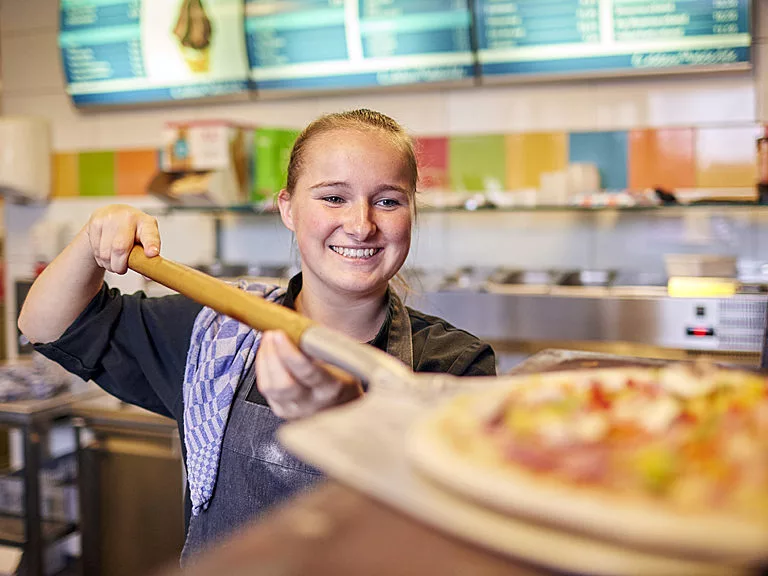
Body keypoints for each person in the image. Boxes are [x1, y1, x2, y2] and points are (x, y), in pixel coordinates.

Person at [17, 109, 496, 562]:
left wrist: (346, 419)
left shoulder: (455, 366)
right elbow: (45, 325)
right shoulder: (218, 332)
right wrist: (91, 239)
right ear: (287, 208)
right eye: (333, 197)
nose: (361, 224)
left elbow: (467, 541)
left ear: (412, 213)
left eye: (388, 201)